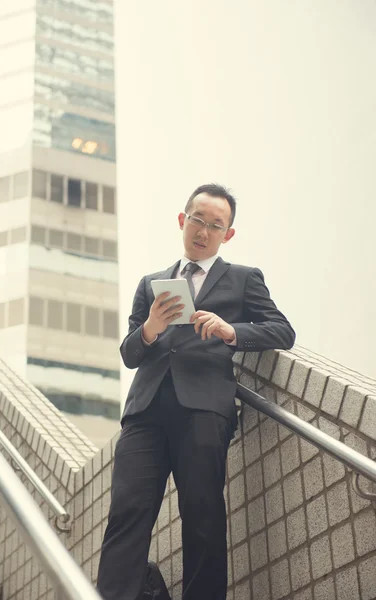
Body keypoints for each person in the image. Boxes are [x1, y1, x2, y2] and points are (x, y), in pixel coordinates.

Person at [96, 184, 295, 600]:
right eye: (198, 220)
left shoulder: (242, 279)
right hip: (145, 412)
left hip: (204, 410)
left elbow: (283, 331)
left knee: (202, 514)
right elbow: (129, 353)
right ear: (183, 221)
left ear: (228, 234)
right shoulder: (152, 282)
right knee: (126, 512)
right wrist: (150, 328)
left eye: (215, 225)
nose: (204, 231)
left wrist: (231, 331)